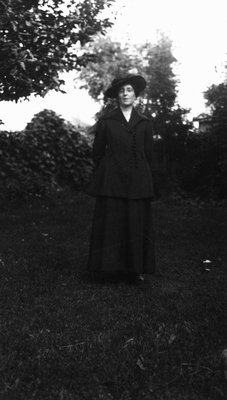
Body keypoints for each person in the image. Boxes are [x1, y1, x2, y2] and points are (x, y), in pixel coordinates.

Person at [87, 74, 157, 283]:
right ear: (116, 96)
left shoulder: (144, 122)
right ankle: (107, 268)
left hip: (138, 180)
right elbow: (97, 152)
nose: (125, 94)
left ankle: (135, 269)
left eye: (129, 90)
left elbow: (149, 154)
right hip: (112, 180)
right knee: (111, 222)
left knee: (136, 223)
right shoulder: (107, 121)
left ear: (135, 95)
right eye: (121, 91)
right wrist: (110, 168)